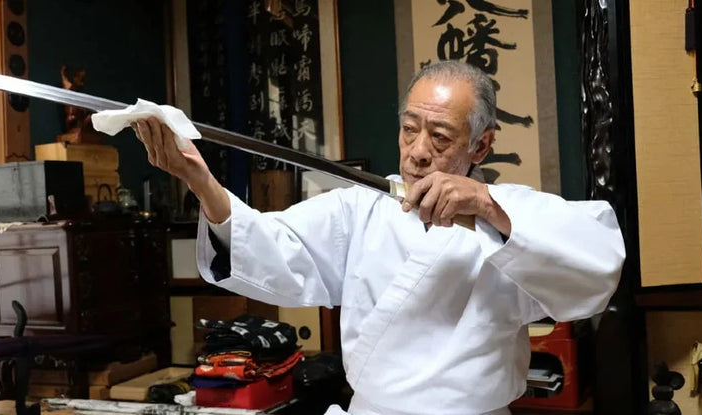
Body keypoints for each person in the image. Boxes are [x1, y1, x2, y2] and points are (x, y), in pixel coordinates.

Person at [131, 60, 625, 415]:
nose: (416, 153)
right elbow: (268, 244)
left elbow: (597, 261)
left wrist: (488, 210)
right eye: (409, 130)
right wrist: (201, 181)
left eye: (440, 137)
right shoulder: (360, 208)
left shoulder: (511, 213)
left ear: (482, 144)